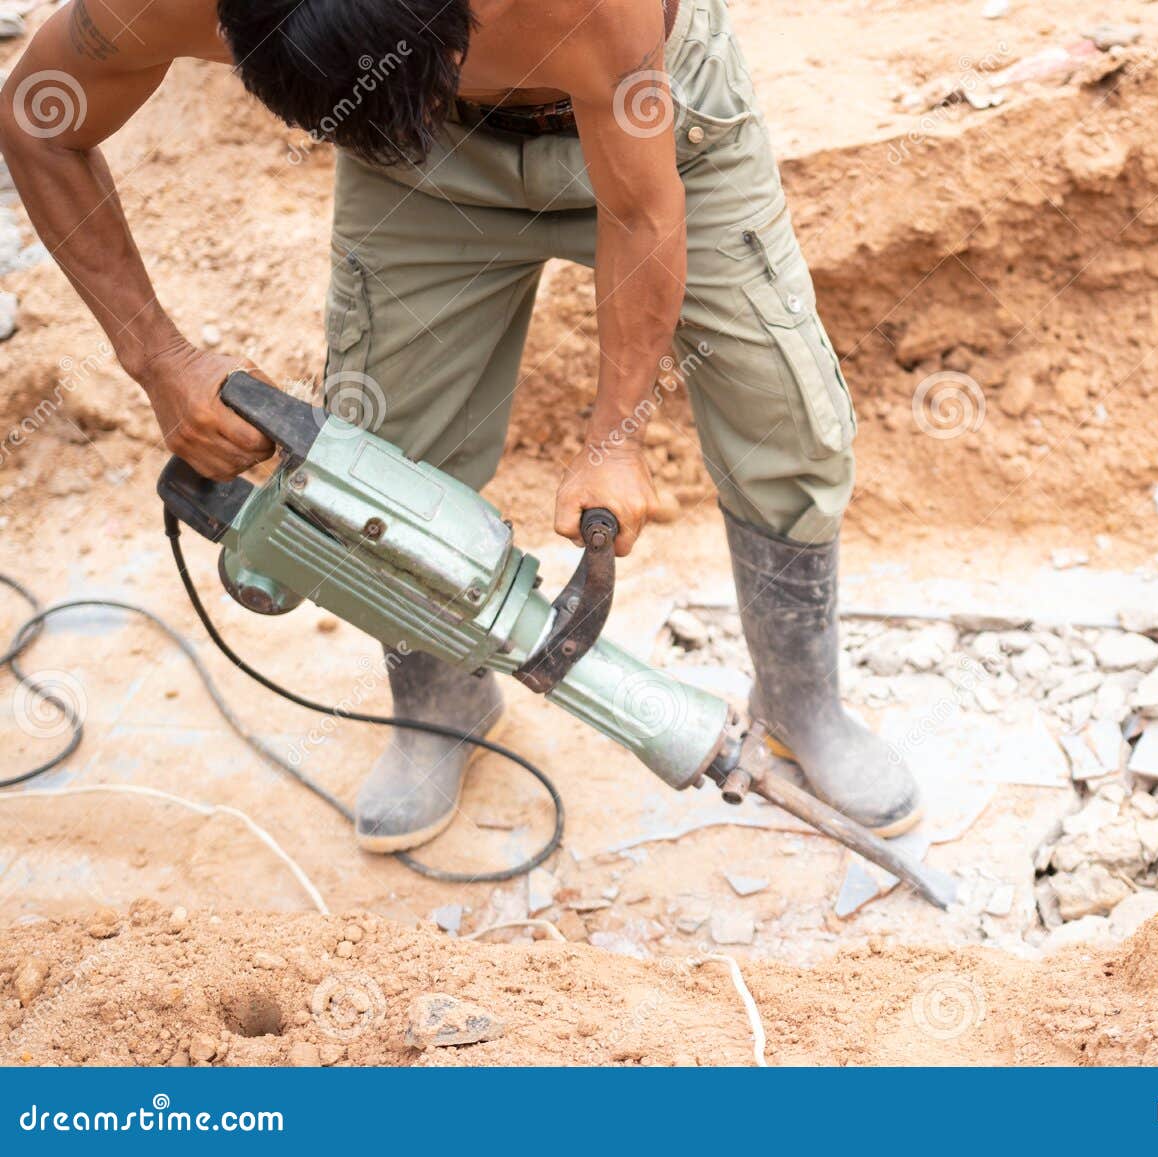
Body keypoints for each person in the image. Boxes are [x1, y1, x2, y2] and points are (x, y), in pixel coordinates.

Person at [0, 0, 923, 849]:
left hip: (650, 118)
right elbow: (36, 119)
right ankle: (443, 708)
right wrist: (159, 359)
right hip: (418, 156)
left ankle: (802, 707)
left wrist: (615, 438)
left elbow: (640, 212)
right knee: (379, 456)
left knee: (784, 419)